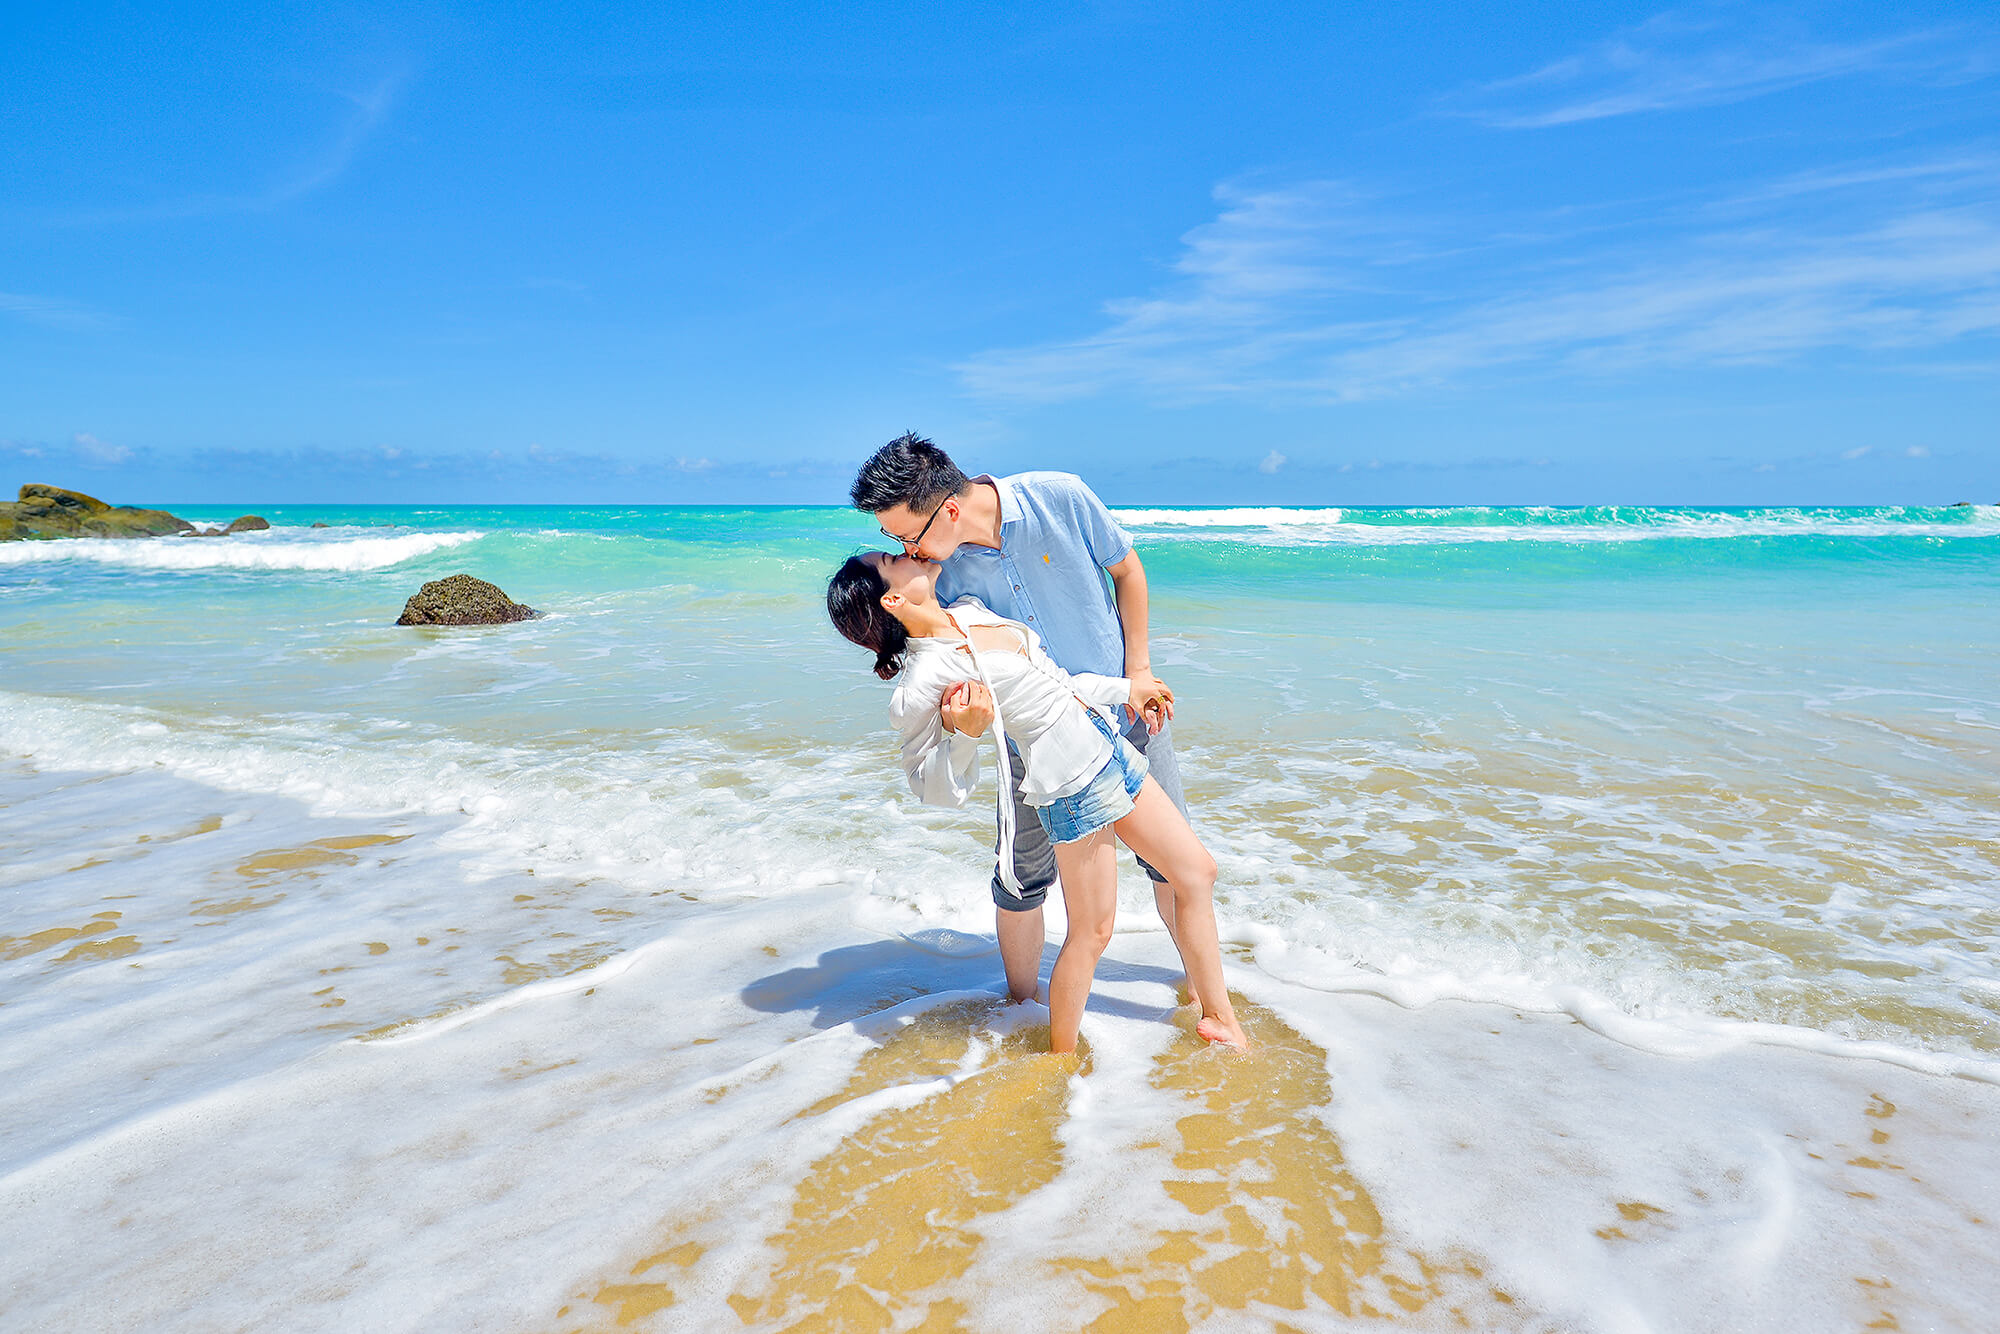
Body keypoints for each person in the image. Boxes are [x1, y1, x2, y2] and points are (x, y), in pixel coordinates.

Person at [827, 550, 1246, 1052]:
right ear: (893, 598)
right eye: (895, 557)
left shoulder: (968, 610)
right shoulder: (926, 678)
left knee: (1198, 872)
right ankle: (1060, 1057)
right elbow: (929, 784)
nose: (911, 551)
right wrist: (965, 733)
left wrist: (1126, 689)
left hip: (1107, 744)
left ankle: (1218, 1014)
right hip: (1073, 783)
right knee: (1093, 934)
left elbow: (1053, 682)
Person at [848, 434, 1207, 1008]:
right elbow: (943, 653)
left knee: (1172, 862)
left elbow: (1128, 571)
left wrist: (1138, 669)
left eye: (904, 534)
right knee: (1022, 877)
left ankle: (1199, 996)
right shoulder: (942, 576)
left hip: (1125, 709)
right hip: (1035, 744)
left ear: (948, 509)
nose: (904, 549)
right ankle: (1019, 1008)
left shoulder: (1058, 497)